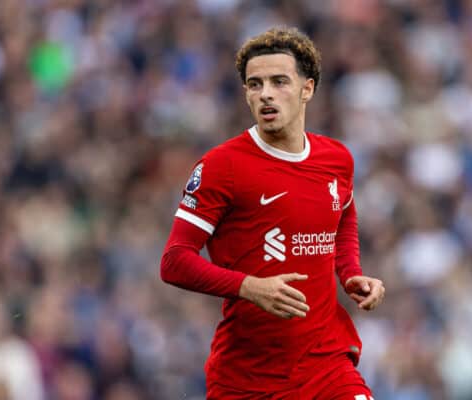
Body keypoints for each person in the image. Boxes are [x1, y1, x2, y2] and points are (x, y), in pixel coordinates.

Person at [160, 27, 385, 399]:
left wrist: (351, 273)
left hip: (325, 363)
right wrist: (247, 286)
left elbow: (343, 214)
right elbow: (174, 261)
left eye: (279, 81)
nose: (265, 93)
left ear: (307, 88)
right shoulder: (222, 165)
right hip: (247, 377)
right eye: (254, 84)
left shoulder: (337, 159)